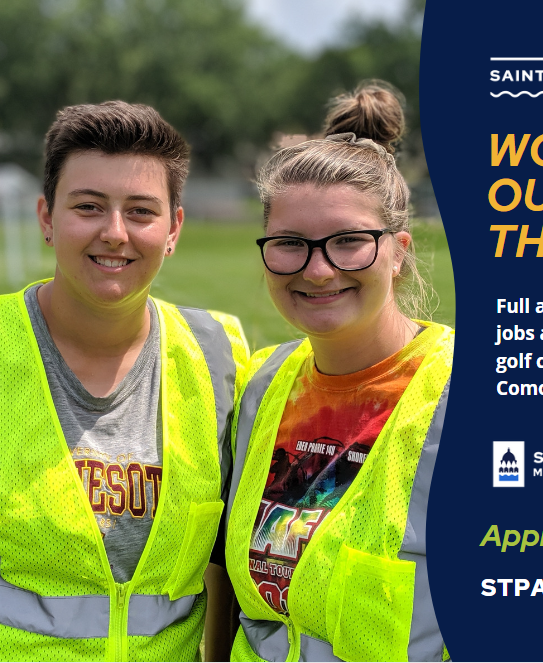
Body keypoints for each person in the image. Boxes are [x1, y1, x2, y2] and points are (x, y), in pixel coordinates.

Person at [0, 101, 247, 661]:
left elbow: (224, 563)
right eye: (88, 206)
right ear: (45, 217)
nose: (114, 233)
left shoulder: (219, 355)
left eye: (140, 211)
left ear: (174, 228)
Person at [225, 82, 453, 662]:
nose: (319, 270)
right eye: (290, 243)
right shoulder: (257, 387)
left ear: (399, 250)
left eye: (349, 241)